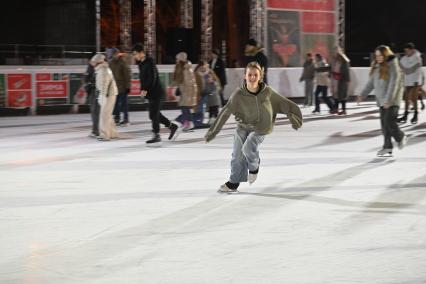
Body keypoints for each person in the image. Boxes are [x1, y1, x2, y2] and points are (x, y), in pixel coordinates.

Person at [204, 62, 303, 193]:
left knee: (248, 146)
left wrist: (293, 115)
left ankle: (254, 166)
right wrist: (213, 132)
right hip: (243, 126)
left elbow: (283, 103)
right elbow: (225, 112)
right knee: (237, 154)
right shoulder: (238, 95)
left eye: (255, 75)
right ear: (245, 76)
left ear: (260, 76)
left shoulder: (268, 92)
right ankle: (234, 182)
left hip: (261, 127)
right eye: (249, 74)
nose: (252, 77)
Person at [358, 45, 407, 157]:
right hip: (381, 100)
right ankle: (387, 147)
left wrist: (388, 100)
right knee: (384, 125)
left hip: (392, 100)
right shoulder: (377, 67)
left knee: (389, 121)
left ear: (385, 54)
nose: (378, 58)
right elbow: (371, 83)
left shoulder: (393, 66)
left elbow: (393, 83)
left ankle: (400, 136)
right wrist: (362, 95)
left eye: (380, 55)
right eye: (376, 56)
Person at [132, 43, 178, 144]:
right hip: (150, 93)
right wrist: (143, 91)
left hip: (157, 93)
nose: (135, 56)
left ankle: (156, 135)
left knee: (153, 114)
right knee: (154, 114)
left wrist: (144, 90)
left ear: (142, 53)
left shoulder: (150, 62)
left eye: (135, 53)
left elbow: (152, 79)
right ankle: (172, 126)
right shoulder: (141, 64)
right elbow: (143, 80)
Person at [91, 53, 119, 141]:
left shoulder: (103, 70)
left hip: (108, 94)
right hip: (110, 93)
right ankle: (113, 133)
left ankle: (105, 135)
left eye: (94, 62)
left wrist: (102, 95)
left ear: (98, 62)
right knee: (108, 114)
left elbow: (104, 84)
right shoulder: (102, 69)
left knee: (104, 115)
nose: (93, 64)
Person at [173, 52, 198, 131]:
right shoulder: (181, 68)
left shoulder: (186, 69)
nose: (176, 60)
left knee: (185, 107)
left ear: (181, 60)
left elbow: (188, 82)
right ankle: (187, 123)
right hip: (185, 90)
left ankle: (188, 123)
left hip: (188, 91)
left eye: (177, 59)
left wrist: (182, 88)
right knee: (184, 107)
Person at [398, 42, 422, 124]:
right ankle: (405, 115)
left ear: (412, 50)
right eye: (405, 51)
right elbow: (399, 65)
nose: (406, 52)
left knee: (413, 99)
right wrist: (404, 69)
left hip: (416, 81)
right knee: (406, 98)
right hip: (407, 81)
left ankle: (415, 115)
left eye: (408, 50)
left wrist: (404, 69)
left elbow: (409, 70)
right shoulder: (404, 58)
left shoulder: (417, 58)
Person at [109, 48, 132, 126]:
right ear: (112, 55)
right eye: (114, 54)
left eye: (117, 54)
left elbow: (127, 74)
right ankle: (117, 118)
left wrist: (128, 86)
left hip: (122, 87)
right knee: (115, 104)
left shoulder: (122, 62)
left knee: (123, 104)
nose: (116, 55)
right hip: (114, 87)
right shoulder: (110, 63)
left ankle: (126, 119)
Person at [195, 60, 221, 125]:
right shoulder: (198, 73)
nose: (205, 67)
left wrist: (216, 86)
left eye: (205, 66)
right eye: (204, 66)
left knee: (212, 106)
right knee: (202, 107)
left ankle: (211, 118)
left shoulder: (208, 72)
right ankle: (200, 120)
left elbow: (215, 81)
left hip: (209, 92)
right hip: (202, 93)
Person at [331, 46, 351, 115]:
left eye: (337, 50)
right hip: (335, 79)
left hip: (342, 80)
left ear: (340, 51)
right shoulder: (334, 59)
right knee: (336, 94)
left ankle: (344, 110)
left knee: (342, 95)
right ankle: (336, 109)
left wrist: (347, 80)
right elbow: (330, 68)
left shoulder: (344, 59)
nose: (335, 52)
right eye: (334, 50)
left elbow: (347, 71)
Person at [83, 57, 99, 137]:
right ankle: (95, 130)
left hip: (94, 92)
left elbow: (86, 79)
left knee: (95, 112)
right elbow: (86, 79)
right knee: (95, 112)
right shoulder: (91, 67)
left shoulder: (93, 68)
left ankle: (96, 131)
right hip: (93, 92)